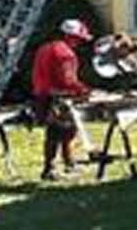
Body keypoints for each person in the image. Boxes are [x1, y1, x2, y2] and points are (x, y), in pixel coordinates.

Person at [30, 18, 93, 180]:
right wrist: (84, 90)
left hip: (41, 95)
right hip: (59, 98)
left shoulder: (44, 48)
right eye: (78, 39)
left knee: (58, 132)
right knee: (62, 132)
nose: (79, 43)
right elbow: (67, 81)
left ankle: (67, 164)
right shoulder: (65, 53)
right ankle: (52, 169)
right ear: (70, 37)